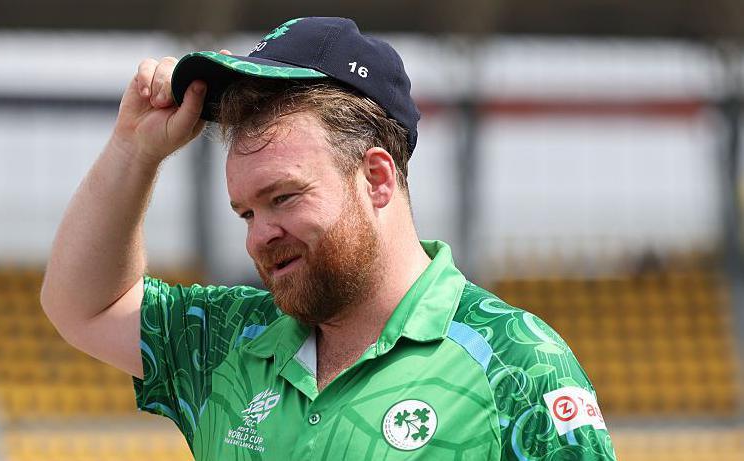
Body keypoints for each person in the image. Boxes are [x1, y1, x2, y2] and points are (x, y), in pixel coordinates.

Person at [41, 17, 617, 460]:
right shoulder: (231, 342)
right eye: (245, 213)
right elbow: (83, 306)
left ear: (377, 179)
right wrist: (133, 150)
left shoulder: (516, 365)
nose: (259, 237)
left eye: (284, 198)